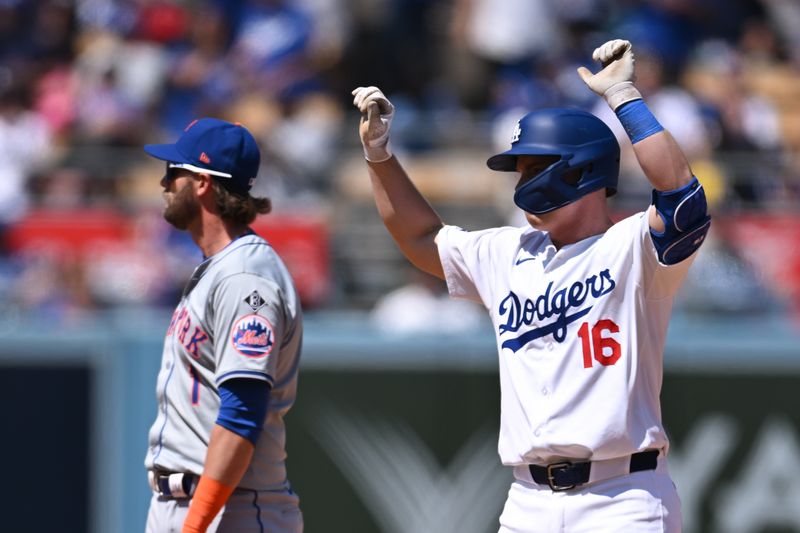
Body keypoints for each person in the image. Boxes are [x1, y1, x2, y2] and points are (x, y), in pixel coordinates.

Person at [352, 38, 711, 532]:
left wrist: (625, 98)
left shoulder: (635, 250)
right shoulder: (509, 252)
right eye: (522, 167)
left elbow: (682, 197)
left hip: (622, 497)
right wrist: (379, 156)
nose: (524, 178)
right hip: (528, 502)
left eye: (536, 166)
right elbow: (420, 239)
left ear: (582, 170)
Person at [142, 118, 303, 533]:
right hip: (193, 503)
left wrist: (195, 525)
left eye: (173, 172)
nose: (164, 183)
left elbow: (242, 412)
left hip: (230, 511)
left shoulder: (245, 276)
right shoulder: (220, 269)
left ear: (201, 183)